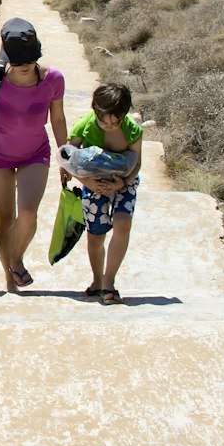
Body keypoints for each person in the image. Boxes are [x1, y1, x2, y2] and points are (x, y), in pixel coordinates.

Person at [0, 18, 68, 292]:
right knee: (5, 219)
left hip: (35, 154)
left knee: (28, 215)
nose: (26, 66)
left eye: (30, 60)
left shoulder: (54, 80)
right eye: (20, 61)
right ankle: (10, 281)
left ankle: (16, 259)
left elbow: (57, 119)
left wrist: (65, 155)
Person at [63, 82, 144, 304]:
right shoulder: (84, 126)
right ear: (95, 111)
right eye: (103, 119)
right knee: (96, 234)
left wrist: (124, 182)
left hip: (123, 183)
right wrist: (85, 181)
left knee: (123, 223)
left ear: (123, 114)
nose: (108, 125)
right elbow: (66, 158)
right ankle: (97, 280)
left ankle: (109, 282)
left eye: (114, 121)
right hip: (93, 183)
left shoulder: (132, 131)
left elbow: (137, 162)